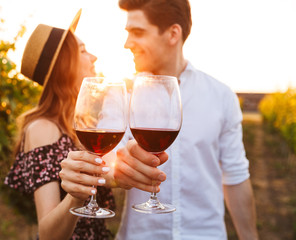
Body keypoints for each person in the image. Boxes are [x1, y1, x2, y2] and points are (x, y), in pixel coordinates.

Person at [61, 0, 259, 239]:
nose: (127, 43)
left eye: (137, 32)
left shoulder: (221, 96)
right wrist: (119, 170)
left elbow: (236, 178)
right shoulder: (122, 94)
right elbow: (109, 156)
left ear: (173, 34)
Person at [4, 9, 117, 240]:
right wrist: (76, 196)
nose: (93, 57)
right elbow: (47, 234)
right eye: (83, 50)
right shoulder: (43, 128)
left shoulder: (82, 124)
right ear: (64, 65)